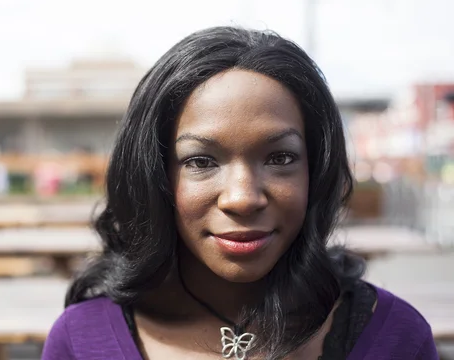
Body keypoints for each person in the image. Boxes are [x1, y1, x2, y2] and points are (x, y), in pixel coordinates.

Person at [42, 27, 439, 359]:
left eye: (280, 158)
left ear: (316, 171)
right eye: (201, 162)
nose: (243, 198)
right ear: (154, 176)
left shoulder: (397, 339)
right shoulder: (80, 342)